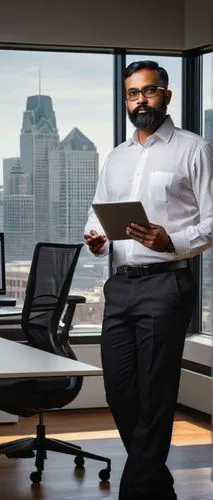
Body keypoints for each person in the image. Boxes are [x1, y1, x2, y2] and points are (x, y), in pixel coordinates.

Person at [84, 60, 213, 500]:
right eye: (132, 94)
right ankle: (155, 483)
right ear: (126, 101)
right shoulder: (117, 156)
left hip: (166, 285)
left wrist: (170, 241)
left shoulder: (193, 149)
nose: (141, 100)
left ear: (167, 95)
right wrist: (97, 239)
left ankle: (137, 491)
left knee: (154, 395)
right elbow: (99, 209)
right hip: (120, 286)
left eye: (149, 91)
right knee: (120, 391)